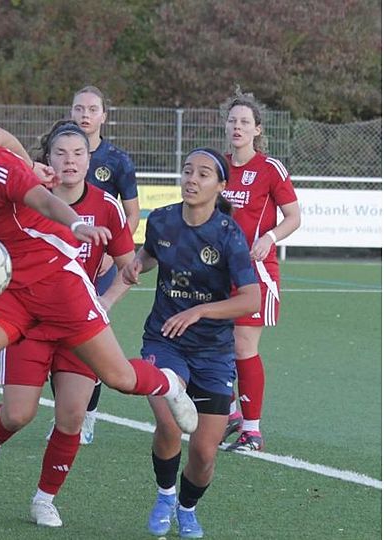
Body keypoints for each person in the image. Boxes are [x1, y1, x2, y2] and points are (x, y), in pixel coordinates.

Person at [0, 69, 197, 501]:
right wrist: (28, 158)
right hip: (11, 292)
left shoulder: (1, 174)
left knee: (120, 377)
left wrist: (75, 221)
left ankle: (166, 383)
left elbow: (44, 201)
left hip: (58, 285)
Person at [0, 120, 137, 527]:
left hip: (77, 323)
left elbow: (130, 268)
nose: (70, 160)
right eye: (61, 153)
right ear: (46, 159)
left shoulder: (107, 206)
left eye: (78, 153)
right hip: (29, 319)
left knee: (72, 416)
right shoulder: (24, 198)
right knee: (17, 415)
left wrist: (105, 300)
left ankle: (44, 498)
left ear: (90, 159)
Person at [125, 147, 259, 538]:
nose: (192, 180)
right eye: (187, 171)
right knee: (168, 423)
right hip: (164, 338)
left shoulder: (228, 234)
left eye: (203, 174)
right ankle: (165, 494)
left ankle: (187, 507)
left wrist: (200, 311)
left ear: (219, 186)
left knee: (203, 452)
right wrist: (137, 262)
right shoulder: (163, 220)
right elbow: (152, 254)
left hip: (213, 352)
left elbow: (250, 299)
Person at [219, 88, 301, 452]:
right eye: (233, 120)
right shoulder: (217, 166)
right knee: (216, 344)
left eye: (244, 122)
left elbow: (294, 217)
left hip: (256, 272)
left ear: (257, 129)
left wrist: (269, 237)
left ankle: (252, 431)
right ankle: (233, 414)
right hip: (220, 273)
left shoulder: (270, 169)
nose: (237, 127)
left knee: (242, 344)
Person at [62, 85, 142, 444]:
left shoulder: (118, 160)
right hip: (58, 258)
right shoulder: (58, 151)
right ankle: (68, 410)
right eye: (79, 108)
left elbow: (131, 214)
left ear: (103, 116)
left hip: (99, 261)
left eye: (92, 109)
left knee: (90, 341)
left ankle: (87, 414)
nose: (85, 115)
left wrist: (112, 249)